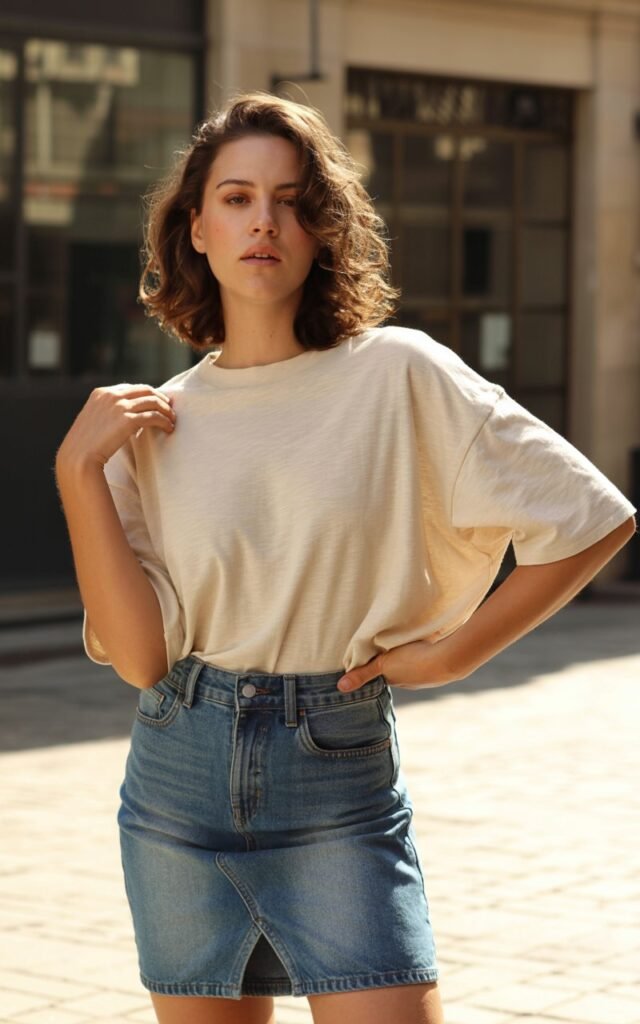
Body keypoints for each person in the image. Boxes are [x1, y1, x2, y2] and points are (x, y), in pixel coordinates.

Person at [54, 91, 637, 1024]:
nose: (263, 223)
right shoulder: (154, 423)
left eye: (290, 200)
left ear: (323, 228)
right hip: (176, 775)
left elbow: (589, 519)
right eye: (237, 198)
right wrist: (78, 470)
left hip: (336, 766)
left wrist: (453, 653)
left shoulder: (399, 372)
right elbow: (140, 659)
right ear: (195, 227)